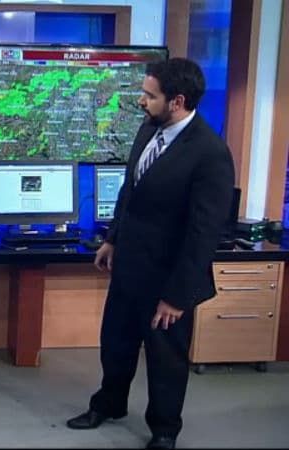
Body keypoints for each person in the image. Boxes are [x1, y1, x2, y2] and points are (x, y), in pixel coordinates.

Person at [66, 57, 235, 449]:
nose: (141, 101)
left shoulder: (210, 153)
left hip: (167, 278)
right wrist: (112, 239)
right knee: (116, 343)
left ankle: (164, 430)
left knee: (165, 358)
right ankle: (109, 404)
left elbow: (203, 234)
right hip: (129, 266)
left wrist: (177, 296)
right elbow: (131, 192)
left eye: (149, 95)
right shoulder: (149, 129)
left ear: (177, 101)